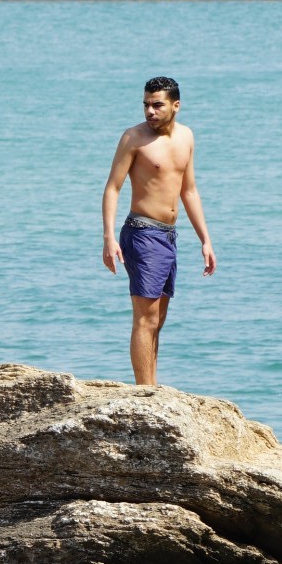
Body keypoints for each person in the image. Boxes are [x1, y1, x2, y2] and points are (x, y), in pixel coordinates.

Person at [101, 75, 216, 387]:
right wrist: (109, 237)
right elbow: (112, 188)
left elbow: (189, 191)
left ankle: (151, 387)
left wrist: (205, 240)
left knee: (158, 320)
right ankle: (144, 392)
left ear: (176, 106)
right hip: (141, 233)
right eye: (146, 105)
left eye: (157, 105)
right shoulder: (133, 138)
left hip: (168, 236)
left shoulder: (187, 137)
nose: (149, 111)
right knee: (145, 318)